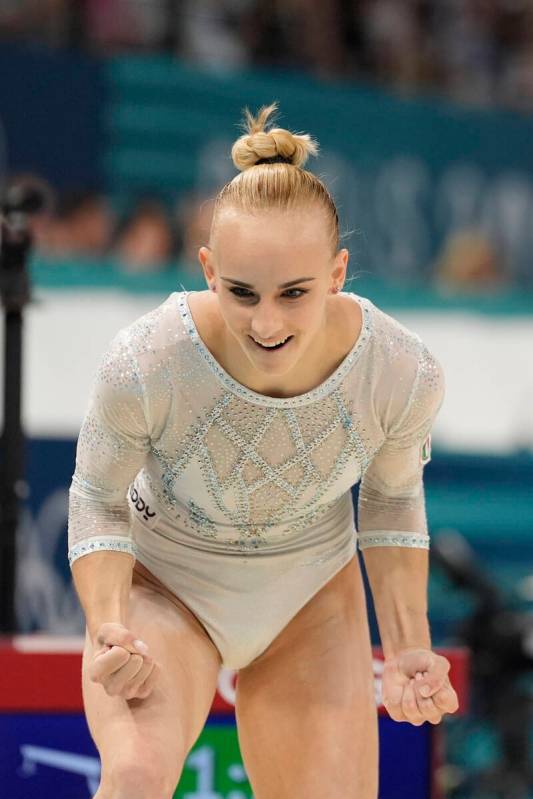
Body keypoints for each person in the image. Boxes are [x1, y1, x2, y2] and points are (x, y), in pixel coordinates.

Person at [68, 101, 459, 799]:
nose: (267, 322)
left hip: (309, 598)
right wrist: (106, 627)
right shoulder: (148, 358)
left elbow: (393, 496)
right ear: (208, 268)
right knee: (132, 778)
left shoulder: (400, 370)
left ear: (338, 272)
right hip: (168, 588)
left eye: (294, 292)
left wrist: (406, 643)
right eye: (242, 293)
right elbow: (96, 496)